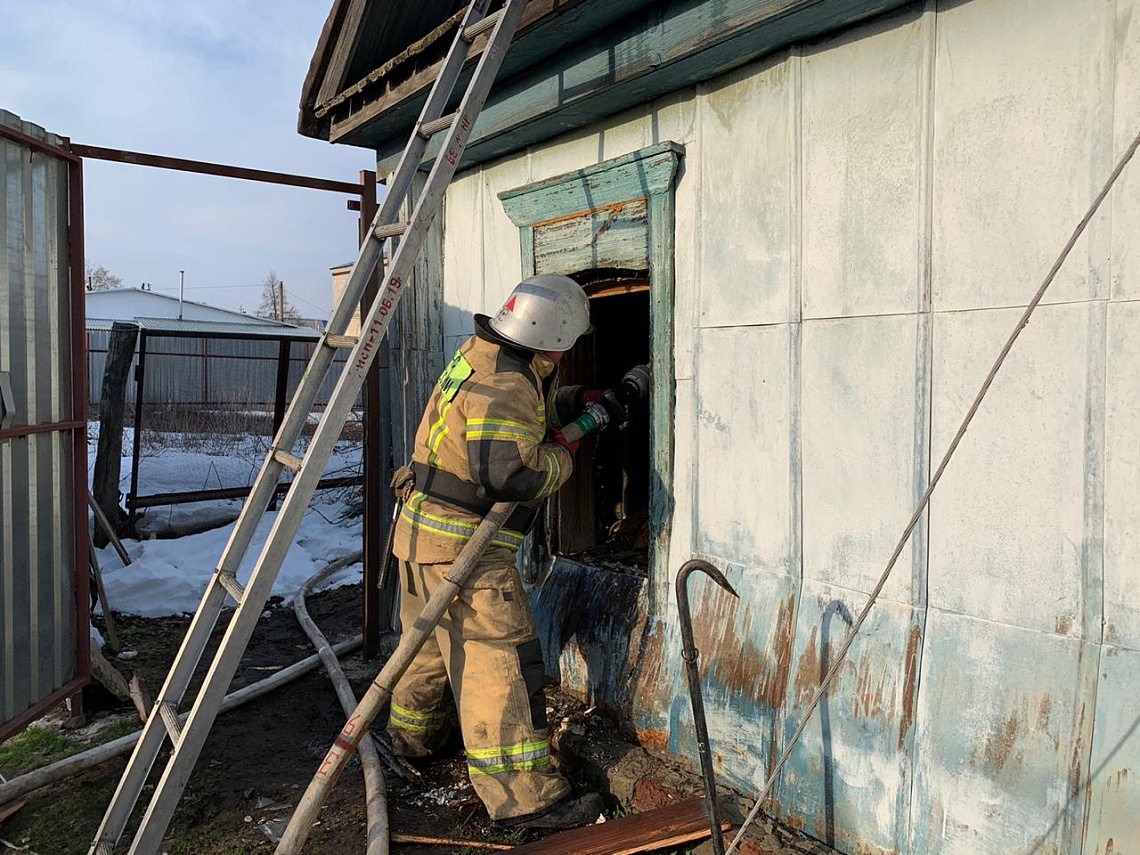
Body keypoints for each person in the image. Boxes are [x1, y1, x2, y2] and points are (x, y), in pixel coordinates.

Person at [386, 274, 620, 830]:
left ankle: (414, 741)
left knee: (426, 647)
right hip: (468, 551)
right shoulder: (510, 382)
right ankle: (526, 800)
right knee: (500, 667)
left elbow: (513, 413)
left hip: (419, 536)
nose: (569, 352)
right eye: (568, 342)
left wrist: (575, 401)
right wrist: (573, 443)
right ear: (550, 335)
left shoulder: (483, 353)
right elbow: (512, 472)